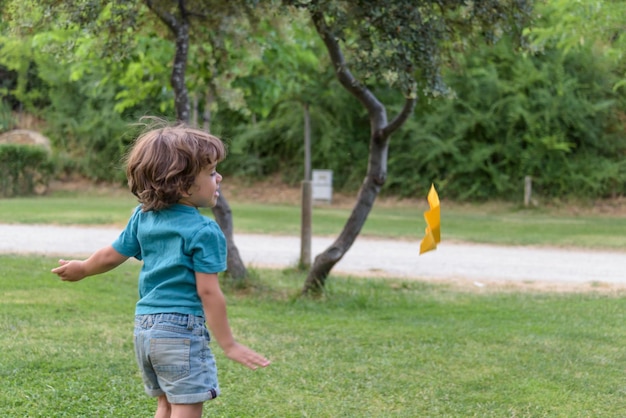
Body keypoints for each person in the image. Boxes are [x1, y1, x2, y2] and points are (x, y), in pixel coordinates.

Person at [51, 119, 270, 418]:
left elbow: (111, 255)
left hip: (145, 329)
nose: (219, 178)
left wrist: (83, 268)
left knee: (166, 404)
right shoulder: (204, 230)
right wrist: (229, 344)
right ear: (182, 183)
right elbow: (208, 291)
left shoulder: (143, 217)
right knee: (186, 405)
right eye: (210, 172)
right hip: (180, 330)